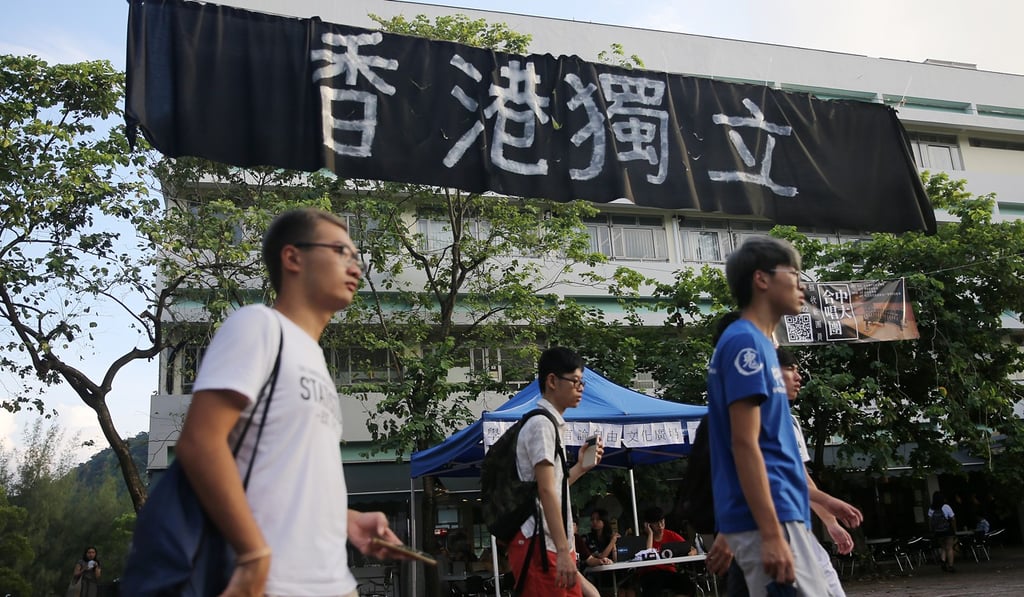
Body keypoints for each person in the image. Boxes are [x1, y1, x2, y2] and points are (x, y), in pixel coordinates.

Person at [175, 207, 405, 597]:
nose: (356, 267)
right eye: (340, 251)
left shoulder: (313, 357)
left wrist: (346, 520)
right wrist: (253, 554)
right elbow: (199, 443)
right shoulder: (259, 326)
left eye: (356, 256)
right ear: (293, 256)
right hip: (275, 584)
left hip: (334, 583)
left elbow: (284, 478)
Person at [705, 236, 859, 596]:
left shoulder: (759, 343)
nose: (802, 285)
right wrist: (771, 533)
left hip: (783, 512)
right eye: (794, 274)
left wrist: (820, 502)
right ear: (762, 279)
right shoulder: (744, 343)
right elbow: (744, 444)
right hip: (768, 519)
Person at [506, 346, 604, 596]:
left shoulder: (550, 424)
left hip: (549, 545)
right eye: (575, 381)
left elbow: (552, 488)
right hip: (541, 545)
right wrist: (563, 550)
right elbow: (546, 490)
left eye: (582, 382)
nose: (581, 388)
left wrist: (581, 467)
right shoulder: (541, 424)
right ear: (552, 381)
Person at [776, 347, 859, 597]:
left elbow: (802, 477)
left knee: (826, 581)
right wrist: (829, 503)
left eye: (798, 370)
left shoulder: (788, 422)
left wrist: (830, 522)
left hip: (793, 523)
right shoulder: (752, 418)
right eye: (790, 369)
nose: (798, 376)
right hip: (771, 526)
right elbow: (769, 479)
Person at [632, 506, 697, 597]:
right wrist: (650, 534)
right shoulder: (643, 539)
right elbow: (647, 554)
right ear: (648, 525)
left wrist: (693, 552)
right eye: (656, 523)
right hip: (649, 574)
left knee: (688, 586)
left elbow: (689, 547)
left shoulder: (671, 535)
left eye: (662, 521)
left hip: (668, 571)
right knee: (652, 588)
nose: (660, 526)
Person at [928, 491, 957, 572]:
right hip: (947, 531)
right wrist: (954, 530)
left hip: (938, 532)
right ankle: (951, 566)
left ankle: (943, 560)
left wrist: (932, 530)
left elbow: (930, 521)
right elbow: (953, 519)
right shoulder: (946, 507)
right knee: (949, 548)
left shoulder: (931, 508)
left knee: (943, 547)